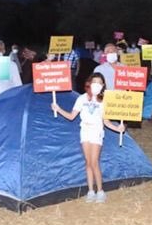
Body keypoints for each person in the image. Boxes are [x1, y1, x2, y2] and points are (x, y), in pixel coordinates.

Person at [51, 73, 125, 203]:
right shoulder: (82, 98)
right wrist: (58, 109)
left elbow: (106, 122)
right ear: (89, 83)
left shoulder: (104, 101)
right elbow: (71, 116)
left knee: (94, 162)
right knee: (88, 162)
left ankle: (100, 191)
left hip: (96, 131)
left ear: (103, 86)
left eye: (99, 82)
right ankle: (91, 190)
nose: (96, 84)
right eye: (94, 81)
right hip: (85, 130)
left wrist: (118, 128)